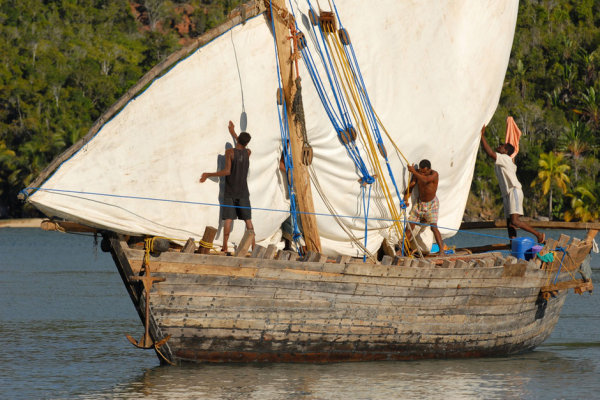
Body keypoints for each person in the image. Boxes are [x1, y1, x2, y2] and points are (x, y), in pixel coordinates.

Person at [480, 124, 545, 243]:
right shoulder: (504, 160)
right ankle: (513, 244)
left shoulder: (505, 158)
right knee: (509, 224)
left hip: (513, 190)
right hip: (507, 194)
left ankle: (538, 234)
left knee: (515, 221)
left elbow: (490, 153)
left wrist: (482, 136)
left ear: (505, 151)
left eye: (502, 146)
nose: (499, 146)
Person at [200, 121, 254, 253]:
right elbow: (241, 144)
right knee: (248, 221)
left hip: (230, 191)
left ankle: (224, 245)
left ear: (238, 140)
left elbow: (227, 171)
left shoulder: (230, 152)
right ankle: (254, 246)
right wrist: (233, 133)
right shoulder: (248, 152)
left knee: (228, 219)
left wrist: (208, 174)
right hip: (243, 192)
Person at [402, 159, 445, 255]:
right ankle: (401, 250)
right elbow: (411, 186)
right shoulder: (418, 174)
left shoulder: (434, 174)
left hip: (432, 204)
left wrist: (414, 172)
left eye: (425, 172)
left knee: (434, 227)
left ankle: (442, 251)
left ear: (429, 169)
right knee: (410, 226)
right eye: (421, 171)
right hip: (420, 203)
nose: (423, 174)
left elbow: (426, 180)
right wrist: (406, 199)